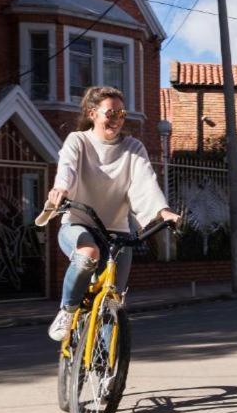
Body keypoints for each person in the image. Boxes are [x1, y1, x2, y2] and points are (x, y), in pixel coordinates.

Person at [41, 86, 181, 341]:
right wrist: (61, 188)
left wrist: (163, 211)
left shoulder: (133, 147)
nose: (116, 119)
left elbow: (145, 181)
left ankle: (107, 370)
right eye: (110, 113)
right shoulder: (78, 141)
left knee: (114, 302)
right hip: (78, 224)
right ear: (92, 113)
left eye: (121, 114)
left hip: (117, 233)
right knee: (87, 256)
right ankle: (67, 310)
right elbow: (67, 168)